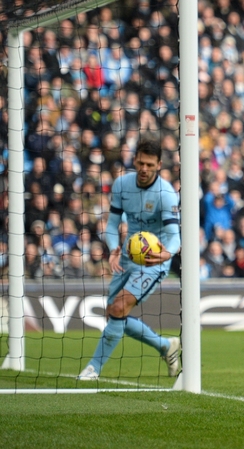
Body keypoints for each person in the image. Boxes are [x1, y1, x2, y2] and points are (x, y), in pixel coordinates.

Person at [78, 140, 182, 380]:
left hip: (153, 260)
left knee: (119, 307)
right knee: (113, 313)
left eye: (150, 165)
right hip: (126, 255)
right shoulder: (122, 185)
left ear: (158, 165)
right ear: (134, 160)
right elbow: (112, 224)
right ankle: (166, 346)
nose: (144, 169)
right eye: (141, 163)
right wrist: (113, 248)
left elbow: (174, 236)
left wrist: (167, 254)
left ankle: (93, 368)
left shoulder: (166, 193)